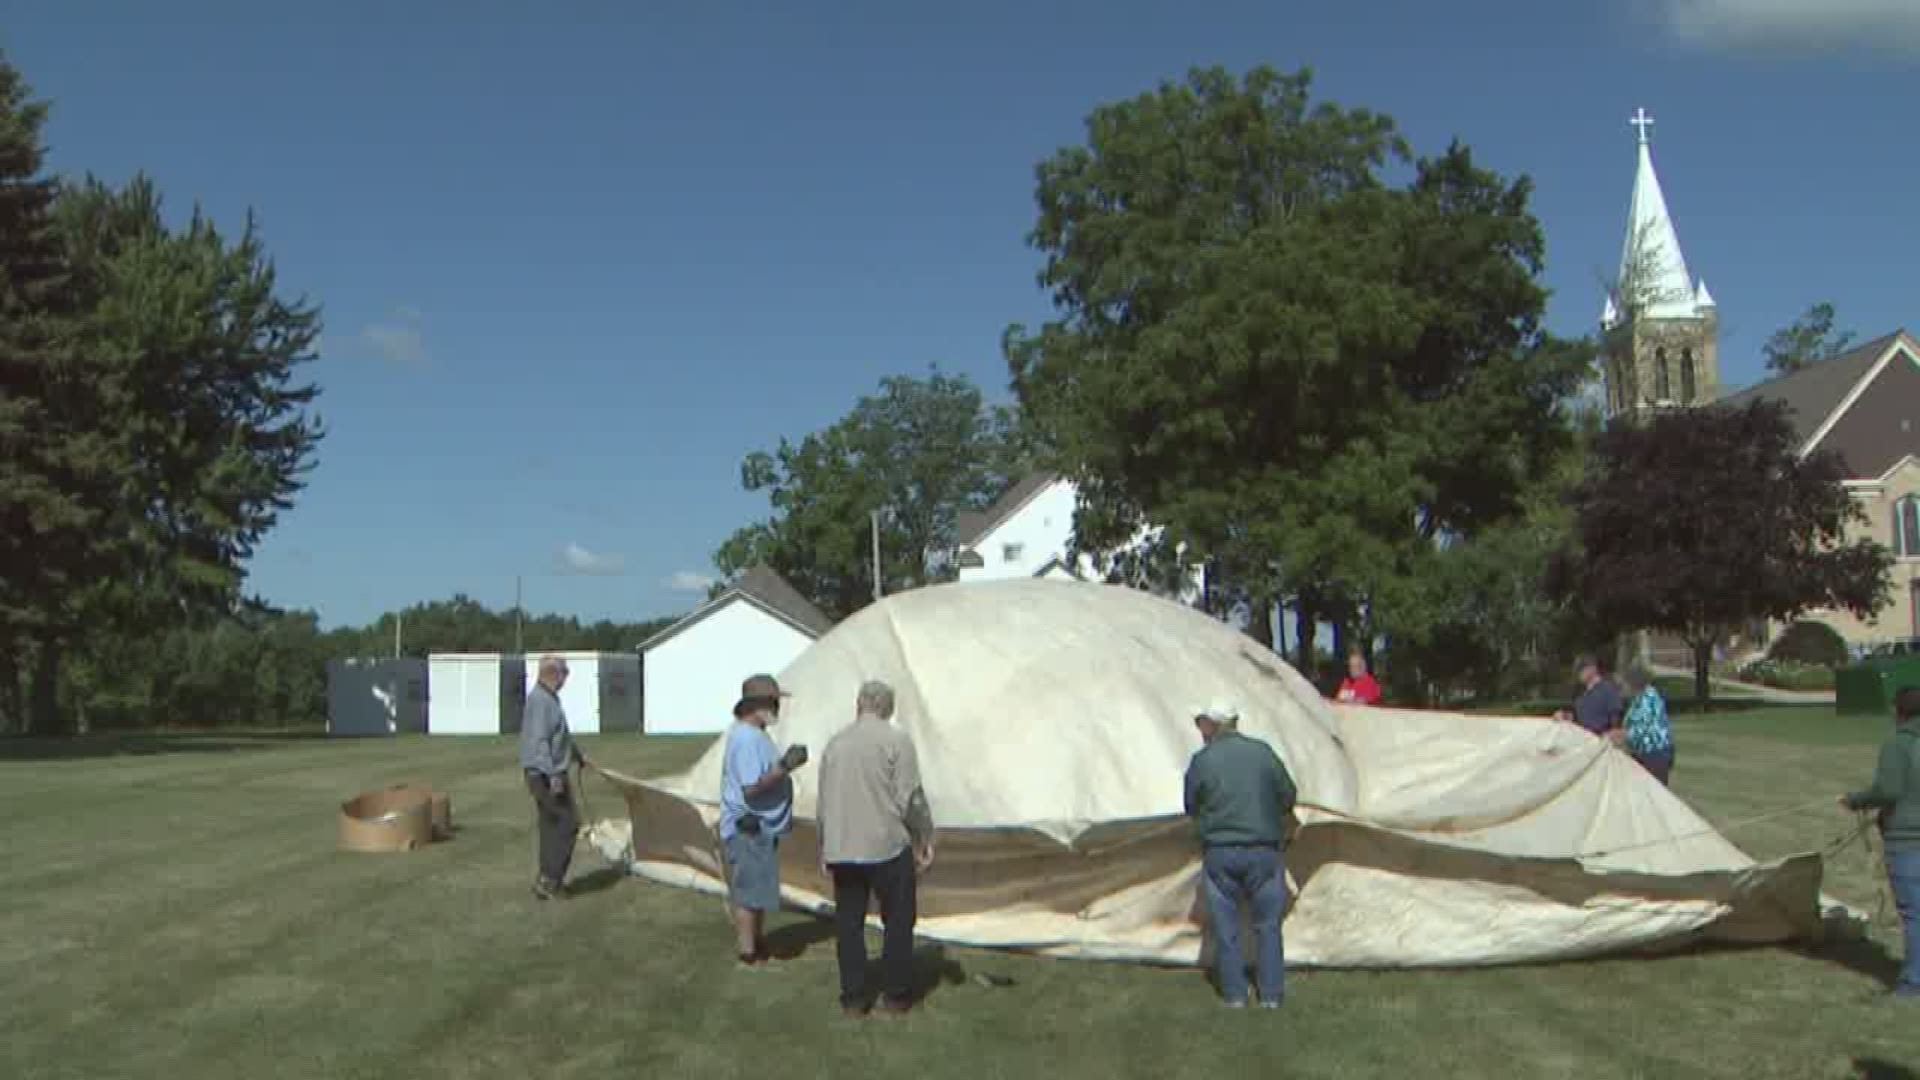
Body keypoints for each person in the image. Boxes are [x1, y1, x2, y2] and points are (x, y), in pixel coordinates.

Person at [816, 679, 936, 1017]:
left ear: (859, 704)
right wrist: (924, 836)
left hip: (843, 847)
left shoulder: (835, 744)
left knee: (848, 924)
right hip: (885, 845)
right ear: (889, 708)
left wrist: (824, 845)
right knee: (898, 920)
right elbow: (909, 797)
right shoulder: (896, 740)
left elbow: (824, 802)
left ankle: (853, 997)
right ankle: (896, 994)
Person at [1183, 702, 1298, 1009]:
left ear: (1213, 725)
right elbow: (1288, 794)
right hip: (1263, 850)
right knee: (1268, 925)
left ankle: (1235, 995)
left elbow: (1191, 806)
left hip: (1220, 852)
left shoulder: (1202, 760)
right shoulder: (1262, 752)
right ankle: (1271, 995)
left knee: (1226, 928)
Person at [719, 673, 809, 967]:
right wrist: (785, 766)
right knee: (748, 893)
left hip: (759, 827)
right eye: (773, 702)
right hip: (749, 827)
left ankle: (757, 942)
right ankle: (748, 952)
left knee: (757, 890)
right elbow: (751, 788)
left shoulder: (754, 735)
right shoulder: (746, 739)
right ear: (756, 705)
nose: (777, 708)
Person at [1839, 685, 1920, 999]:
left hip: (1909, 842)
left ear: (1899, 712)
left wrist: (1855, 801)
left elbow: (1888, 790)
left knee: (1914, 913)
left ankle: (1914, 984)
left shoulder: (1897, 744)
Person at [520, 655, 587, 900]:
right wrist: (553, 776)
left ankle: (547, 879)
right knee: (567, 824)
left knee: (551, 826)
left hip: (549, 772)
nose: (566, 678)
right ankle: (550, 880)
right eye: (564, 673)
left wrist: (577, 755)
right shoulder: (540, 701)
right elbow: (540, 743)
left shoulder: (549, 699)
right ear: (553, 673)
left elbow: (560, 734)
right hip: (545, 775)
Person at [1619, 665, 1675, 785]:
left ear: (1633, 683)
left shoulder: (1648, 699)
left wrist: (1620, 735)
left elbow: (1643, 729)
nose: (1622, 687)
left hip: (1654, 754)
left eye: (1624, 683)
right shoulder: (1639, 698)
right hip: (1644, 754)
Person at [1554, 655, 1624, 739]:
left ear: (1592, 668)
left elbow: (1615, 717)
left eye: (1580, 669)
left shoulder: (1608, 689)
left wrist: (1611, 734)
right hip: (1580, 735)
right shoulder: (1581, 693)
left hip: (1599, 737)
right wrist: (1565, 716)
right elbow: (1579, 717)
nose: (1578, 674)